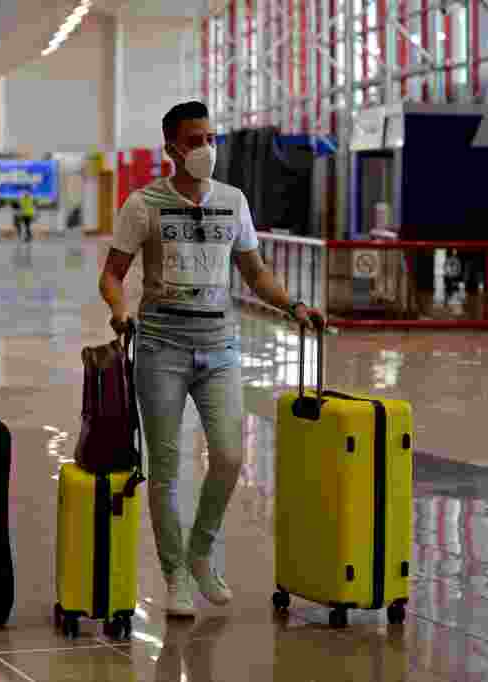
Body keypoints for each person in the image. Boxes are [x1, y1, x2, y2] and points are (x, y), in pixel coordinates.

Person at [99, 101, 324, 618]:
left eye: (210, 138)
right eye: (195, 140)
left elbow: (255, 272)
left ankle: (200, 551)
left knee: (228, 456)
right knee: (166, 469)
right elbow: (112, 274)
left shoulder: (234, 202)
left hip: (220, 348)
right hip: (161, 349)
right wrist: (118, 310)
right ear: (172, 148)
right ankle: (175, 573)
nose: (206, 148)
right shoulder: (143, 204)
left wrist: (293, 304)